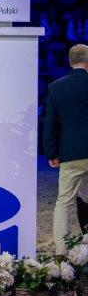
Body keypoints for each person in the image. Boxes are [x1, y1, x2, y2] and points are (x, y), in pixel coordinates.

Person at [44, 43, 88, 254]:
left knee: (64, 203)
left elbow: (50, 123)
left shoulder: (56, 87)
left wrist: (52, 152)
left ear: (71, 62)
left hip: (71, 153)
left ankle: (62, 254)